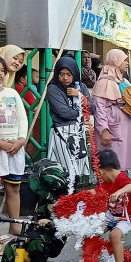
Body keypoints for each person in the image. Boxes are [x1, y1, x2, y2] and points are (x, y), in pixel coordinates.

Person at [0, 160, 69, 262]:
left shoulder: (65, 201)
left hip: (53, 240)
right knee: (12, 245)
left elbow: (67, 225)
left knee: (36, 240)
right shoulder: (42, 198)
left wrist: (50, 222)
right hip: (36, 233)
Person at [0, 55, 27, 236]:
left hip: (15, 146)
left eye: (2, 70)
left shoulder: (12, 93)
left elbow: (22, 118)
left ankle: (14, 224)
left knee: (13, 187)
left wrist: (21, 139)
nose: (0, 73)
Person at [93, 149, 131, 262]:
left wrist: (119, 191)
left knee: (114, 235)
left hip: (128, 217)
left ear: (101, 171)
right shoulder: (104, 183)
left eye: (97, 173)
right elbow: (94, 192)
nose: (98, 177)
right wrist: (75, 198)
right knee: (92, 231)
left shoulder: (121, 177)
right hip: (112, 216)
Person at [93, 49, 131, 174]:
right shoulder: (104, 83)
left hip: (126, 128)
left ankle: (121, 192)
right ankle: (109, 192)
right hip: (111, 129)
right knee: (111, 164)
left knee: (122, 164)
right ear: (115, 61)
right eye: (124, 60)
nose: (127, 63)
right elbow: (99, 109)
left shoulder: (124, 82)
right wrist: (104, 130)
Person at [46, 56, 93, 188]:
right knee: (62, 172)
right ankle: (60, 204)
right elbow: (64, 113)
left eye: (68, 74)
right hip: (61, 133)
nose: (65, 78)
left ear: (75, 74)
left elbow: (93, 108)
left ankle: (73, 204)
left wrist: (80, 96)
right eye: (61, 74)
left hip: (78, 133)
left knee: (77, 174)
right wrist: (83, 112)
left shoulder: (81, 87)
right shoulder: (53, 88)